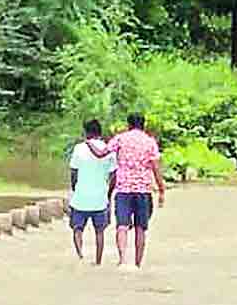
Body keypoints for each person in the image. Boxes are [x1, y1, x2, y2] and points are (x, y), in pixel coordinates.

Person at [94, 113, 165, 269]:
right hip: (143, 189)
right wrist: (161, 190)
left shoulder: (120, 139)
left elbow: (102, 153)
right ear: (143, 125)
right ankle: (138, 263)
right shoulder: (150, 142)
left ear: (129, 124)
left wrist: (88, 143)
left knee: (122, 225)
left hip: (123, 189)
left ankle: (122, 260)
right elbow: (155, 168)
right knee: (141, 227)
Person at [68, 119, 116, 265]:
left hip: (80, 197)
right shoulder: (109, 150)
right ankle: (98, 261)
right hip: (100, 198)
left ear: (86, 132)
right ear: (100, 132)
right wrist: (109, 192)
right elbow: (114, 174)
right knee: (100, 231)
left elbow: (73, 171)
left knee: (77, 229)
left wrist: (74, 187)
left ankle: (80, 257)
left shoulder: (79, 148)